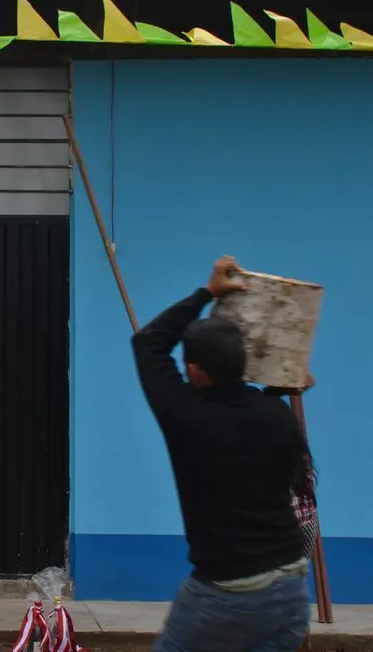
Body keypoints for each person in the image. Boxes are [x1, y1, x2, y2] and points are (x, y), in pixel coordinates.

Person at [131, 256, 314, 652]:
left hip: (228, 593)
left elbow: (148, 343)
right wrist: (283, 381)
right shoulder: (277, 416)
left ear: (195, 372)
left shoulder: (186, 417)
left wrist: (207, 293)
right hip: (292, 589)